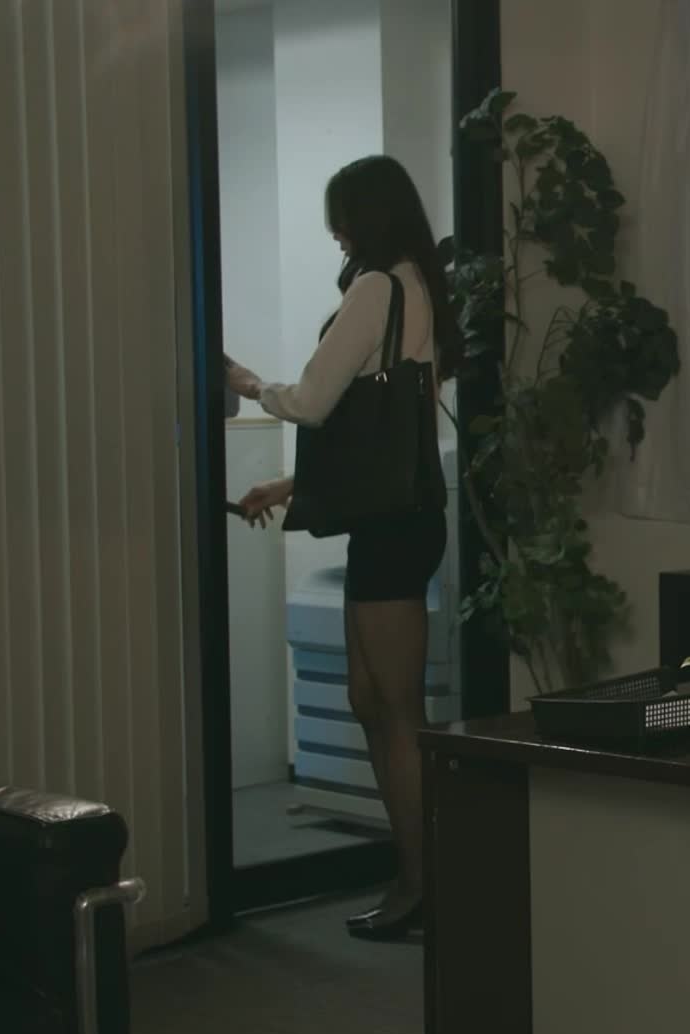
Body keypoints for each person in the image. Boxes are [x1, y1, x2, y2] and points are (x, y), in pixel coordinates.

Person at [224, 154, 458, 941]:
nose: (336, 232)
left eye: (342, 217)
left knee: (395, 710)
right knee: (373, 701)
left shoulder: (377, 288)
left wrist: (248, 382)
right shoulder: (417, 285)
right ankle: (416, 876)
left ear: (367, 216)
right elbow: (379, 433)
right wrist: (291, 486)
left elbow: (315, 401)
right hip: (400, 518)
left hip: (392, 528)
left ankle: (424, 884)